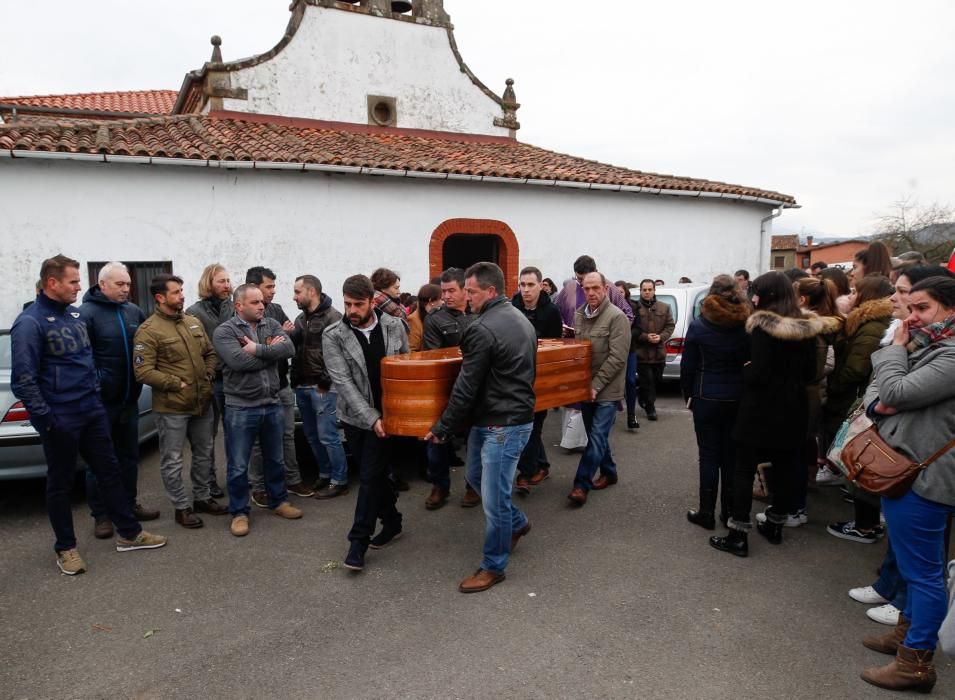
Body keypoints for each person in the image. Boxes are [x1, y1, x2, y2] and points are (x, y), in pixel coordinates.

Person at [11, 255, 166, 575]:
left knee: (110, 472)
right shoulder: (30, 322)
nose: (80, 286)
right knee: (61, 484)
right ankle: (65, 548)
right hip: (60, 418)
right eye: (73, 281)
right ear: (52, 283)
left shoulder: (75, 316)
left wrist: (94, 392)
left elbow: (87, 360)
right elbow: (23, 380)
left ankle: (129, 533)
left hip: (92, 411)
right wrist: (48, 420)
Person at [857, 276, 955, 693]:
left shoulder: (949, 356)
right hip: (910, 471)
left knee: (924, 574)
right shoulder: (931, 347)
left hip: (925, 477)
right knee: (919, 566)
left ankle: (915, 664)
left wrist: (895, 350)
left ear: (950, 309)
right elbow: (876, 400)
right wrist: (887, 393)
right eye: (909, 308)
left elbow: (892, 389)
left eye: (922, 309)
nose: (911, 317)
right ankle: (905, 635)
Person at [425, 262, 537, 593]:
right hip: (501, 419)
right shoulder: (521, 318)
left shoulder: (481, 327)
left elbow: (465, 386)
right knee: (475, 477)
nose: (467, 297)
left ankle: (493, 566)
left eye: (471, 291)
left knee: (494, 499)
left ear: (490, 291)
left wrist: (442, 427)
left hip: (502, 424)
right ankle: (518, 524)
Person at [710, 271, 819, 556]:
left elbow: (756, 374)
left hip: (760, 407)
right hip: (793, 407)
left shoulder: (762, 327)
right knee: (784, 467)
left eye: (755, 291)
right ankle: (775, 525)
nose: (752, 296)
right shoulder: (806, 327)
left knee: (744, 468)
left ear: (766, 295)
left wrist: (745, 368)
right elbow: (810, 373)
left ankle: (738, 534)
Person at [323, 275, 408, 572]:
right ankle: (393, 521)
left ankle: (357, 542)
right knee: (375, 476)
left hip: (389, 417)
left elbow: (405, 367)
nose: (352, 310)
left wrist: (397, 414)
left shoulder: (394, 326)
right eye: (347, 304)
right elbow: (343, 383)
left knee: (370, 478)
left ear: (372, 301)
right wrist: (371, 419)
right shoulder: (333, 335)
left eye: (358, 304)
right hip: (356, 418)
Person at [134, 274, 227, 528]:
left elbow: (209, 353)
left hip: (202, 403)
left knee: (204, 453)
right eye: (176, 292)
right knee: (173, 459)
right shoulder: (149, 330)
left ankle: (202, 497)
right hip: (173, 407)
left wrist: (208, 375)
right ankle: (181, 507)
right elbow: (143, 371)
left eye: (182, 290)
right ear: (160, 298)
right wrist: (175, 384)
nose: (182, 295)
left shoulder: (193, 322)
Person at [213, 284, 303, 537]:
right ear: (239, 305)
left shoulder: (271, 325)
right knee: (239, 464)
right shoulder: (225, 331)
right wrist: (270, 353)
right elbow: (238, 362)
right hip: (241, 407)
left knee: (275, 458)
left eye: (262, 302)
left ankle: (279, 501)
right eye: (255, 302)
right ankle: (239, 512)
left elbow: (289, 349)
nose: (262, 306)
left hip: (271, 403)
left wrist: (257, 349)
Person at [79, 262, 159, 539]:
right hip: (100, 404)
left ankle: (128, 505)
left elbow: (143, 350)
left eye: (128, 284)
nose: (126, 289)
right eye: (120, 284)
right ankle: (101, 516)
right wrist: (100, 383)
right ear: (102, 285)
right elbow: (81, 359)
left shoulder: (133, 311)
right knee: (99, 462)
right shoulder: (86, 314)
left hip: (129, 401)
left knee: (129, 457)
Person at [824, 276, 894, 544]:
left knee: (859, 459)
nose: (851, 295)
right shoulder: (866, 323)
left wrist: (835, 387)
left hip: (856, 401)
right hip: (856, 398)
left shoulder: (871, 327)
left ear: (866, 295)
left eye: (855, 291)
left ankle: (866, 525)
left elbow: (857, 368)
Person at [680, 275, 751, 530]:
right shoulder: (746, 324)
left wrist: (688, 395)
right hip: (737, 397)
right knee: (731, 457)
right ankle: (729, 511)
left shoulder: (700, 325)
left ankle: (706, 512)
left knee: (708, 455)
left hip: (705, 396)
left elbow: (687, 367)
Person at [244, 266, 313, 503]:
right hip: (253, 389)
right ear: (254, 288)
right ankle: (259, 486)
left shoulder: (276, 309)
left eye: (273, 286)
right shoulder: (237, 316)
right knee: (256, 441)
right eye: (269, 287)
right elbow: (243, 352)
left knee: (286, 435)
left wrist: (273, 343)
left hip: (281, 384)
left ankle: (292, 480)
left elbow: (290, 342)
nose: (273, 291)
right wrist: (273, 343)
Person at [567, 272, 630, 506]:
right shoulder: (579, 315)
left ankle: (581, 485)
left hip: (607, 390)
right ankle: (610, 471)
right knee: (598, 436)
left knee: (595, 438)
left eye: (595, 288)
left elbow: (617, 358)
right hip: (586, 388)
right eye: (586, 288)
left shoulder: (617, 317)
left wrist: (596, 385)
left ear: (605, 288)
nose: (591, 293)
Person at [288, 274, 350, 499]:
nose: (294, 296)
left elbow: (340, 355)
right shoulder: (299, 319)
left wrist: (325, 382)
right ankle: (325, 473)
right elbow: (297, 351)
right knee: (312, 436)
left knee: (328, 435)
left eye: (297, 292)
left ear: (311, 291)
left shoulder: (334, 317)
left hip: (323, 387)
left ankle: (339, 479)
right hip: (302, 386)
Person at [423, 267, 479, 509]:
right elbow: (435, 357)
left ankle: (473, 486)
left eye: (451, 291)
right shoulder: (435, 320)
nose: (446, 296)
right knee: (436, 439)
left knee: (476, 439)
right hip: (445, 389)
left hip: (475, 388)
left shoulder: (479, 315)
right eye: (443, 291)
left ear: (465, 290)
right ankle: (440, 486)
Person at [512, 266, 562, 495]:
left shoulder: (551, 312)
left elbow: (554, 349)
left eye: (530, 285)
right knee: (528, 427)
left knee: (532, 427)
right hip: (516, 377)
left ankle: (525, 473)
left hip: (540, 377)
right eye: (522, 284)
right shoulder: (512, 307)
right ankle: (542, 465)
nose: (525, 289)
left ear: (541, 286)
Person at [185, 263, 233, 499]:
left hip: (234, 381)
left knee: (235, 434)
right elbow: (195, 350)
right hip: (211, 382)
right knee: (207, 438)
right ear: (208, 284)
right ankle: (210, 482)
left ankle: (236, 478)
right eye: (221, 281)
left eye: (227, 281)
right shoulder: (194, 312)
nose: (227, 285)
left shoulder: (234, 306)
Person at [554, 255, 634, 332]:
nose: (583, 283)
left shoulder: (610, 288)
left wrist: (614, 333)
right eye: (579, 278)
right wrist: (561, 326)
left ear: (596, 272)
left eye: (587, 278)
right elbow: (555, 310)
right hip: (574, 342)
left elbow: (628, 315)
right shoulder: (569, 288)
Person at [634, 278, 675, 421]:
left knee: (656, 381)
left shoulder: (665, 307)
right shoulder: (634, 308)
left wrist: (661, 337)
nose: (647, 292)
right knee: (648, 381)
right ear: (640, 291)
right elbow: (631, 329)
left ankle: (642, 395)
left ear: (654, 290)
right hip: (642, 353)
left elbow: (670, 326)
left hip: (659, 353)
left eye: (649, 289)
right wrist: (645, 337)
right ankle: (650, 408)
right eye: (644, 290)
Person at [615, 280, 642, 430]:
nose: (619, 294)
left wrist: (625, 335)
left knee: (631, 381)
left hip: (629, 349)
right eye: (616, 292)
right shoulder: (610, 307)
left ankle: (631, 415)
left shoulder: (633, 307)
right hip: (613, 350)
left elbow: (639, 329)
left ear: (625, 292)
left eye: (621, 292)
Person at [408, 283, 441, 352]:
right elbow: (412, 349)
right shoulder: (414, 319)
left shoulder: (437, 315)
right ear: (431, 300)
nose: (443, 302)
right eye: (441, 299)